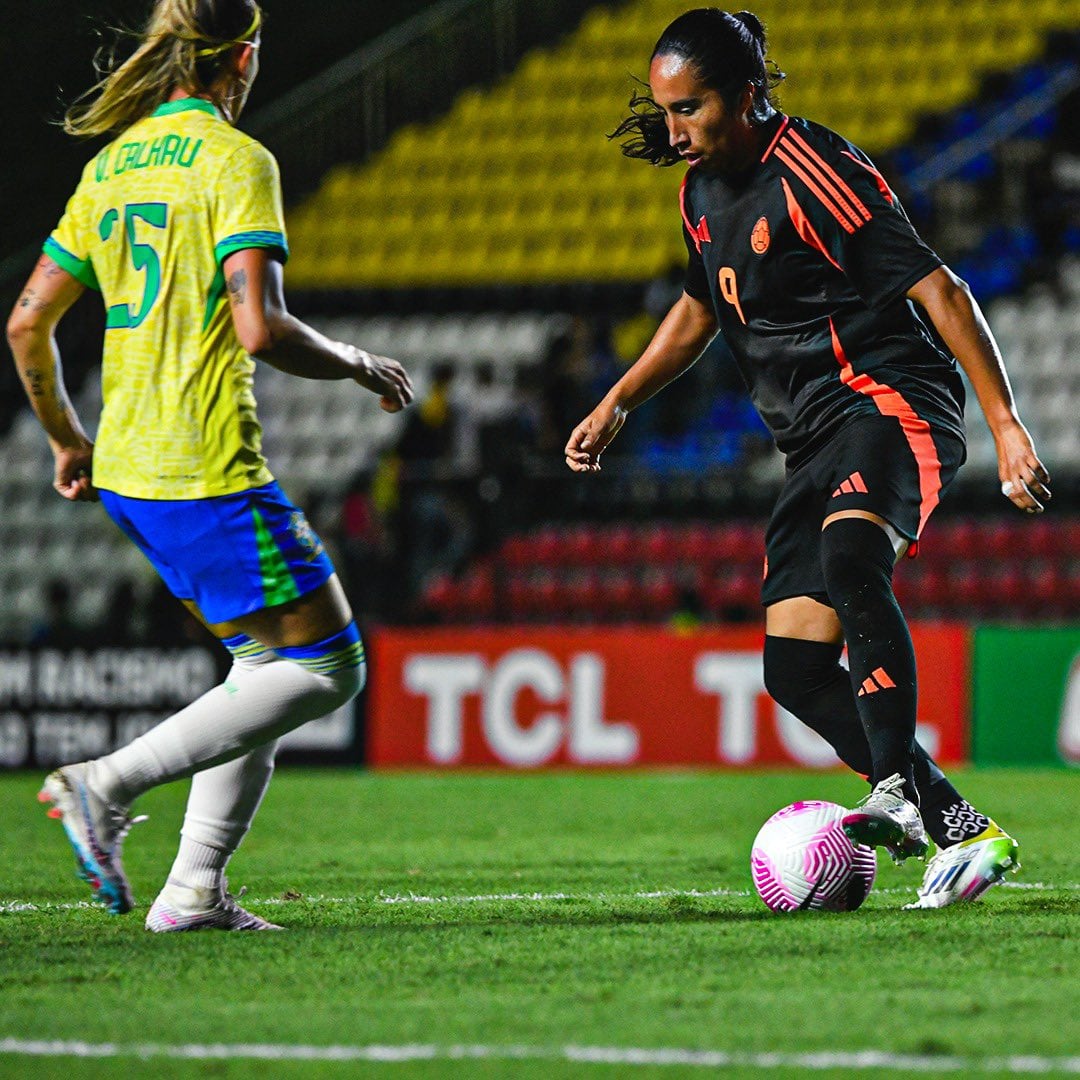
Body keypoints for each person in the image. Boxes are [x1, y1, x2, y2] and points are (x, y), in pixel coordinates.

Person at [565, 8, 1051, 908]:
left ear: (746, 97)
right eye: (664, 109)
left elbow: (940, 287)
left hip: (890, 399)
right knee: (791, 666)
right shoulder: (699, 190)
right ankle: (964, 833)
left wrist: (1007, 424)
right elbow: (699, 309)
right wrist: (617, 399)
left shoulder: (814, 171)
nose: (673, 129)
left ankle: (898, 797)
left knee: (850, 558)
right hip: (809, 440)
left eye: (691, 108)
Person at [8, 0, 413, 931]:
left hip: (126, 466)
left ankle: (193, 891)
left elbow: (27, 321)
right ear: (241, 57)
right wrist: (356, 362)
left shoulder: (109, 166)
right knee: (329, 668)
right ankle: (102, 787)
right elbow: (260, 327)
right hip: (203, 461)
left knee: (260, 666)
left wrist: (69, 438)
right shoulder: (239, 163)